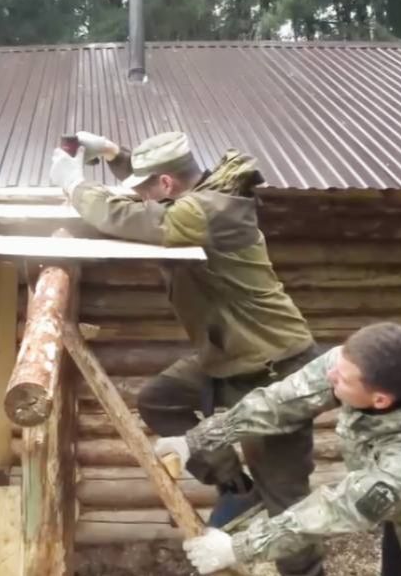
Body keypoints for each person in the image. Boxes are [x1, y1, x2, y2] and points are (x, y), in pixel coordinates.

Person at [50, 130, 325, 576]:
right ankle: (234, 481)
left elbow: (132, 217)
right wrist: (117, 156)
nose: (140, 196)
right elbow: (152, 197)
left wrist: (74, 184)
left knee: (285, 494)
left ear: (166, 185)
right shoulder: (198, 194)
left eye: (146, 188)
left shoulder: (207, 211)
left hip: (273, 366)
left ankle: (306, 571)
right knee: (160, 399)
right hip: (227, 353)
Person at [156, 322, 401, 576]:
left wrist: (240, 547)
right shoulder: (353, 364)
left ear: (380, 400)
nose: (331, 374)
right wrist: (196, 440)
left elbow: (340, 507)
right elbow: (281, 402)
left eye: (343, 379)